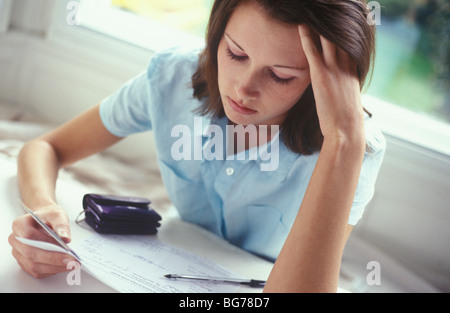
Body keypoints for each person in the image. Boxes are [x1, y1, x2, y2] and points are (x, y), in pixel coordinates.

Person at [9, 0, 385, 292]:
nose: (242, 88)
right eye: (235, 54)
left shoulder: (351, 148)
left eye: (280, 76)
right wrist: (43, 210)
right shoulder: (173, 77)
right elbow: (45, 148)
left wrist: (344, 139)